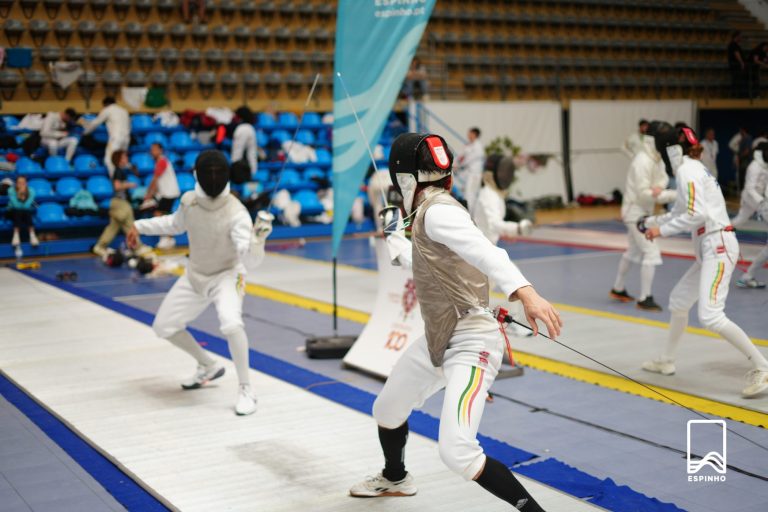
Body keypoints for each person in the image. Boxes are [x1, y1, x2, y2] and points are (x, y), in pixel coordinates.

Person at [350, 133, 562, 511]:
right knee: (386, 409)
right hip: (439, 339)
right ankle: (396, 478)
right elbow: (414, 258)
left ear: (405, 179)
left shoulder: (439, 211)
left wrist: (526, 292)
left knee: (458, 451)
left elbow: (487, 253)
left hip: (472, 340)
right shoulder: (426, 213)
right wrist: (393, 234)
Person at [127, 150, 272, 415]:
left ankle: (246, 388)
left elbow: (249, 262)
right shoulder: (189, 201)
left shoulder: (237, 213)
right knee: (164, 326)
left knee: (231, 322)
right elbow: (174, 224)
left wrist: (257, 242)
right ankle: (207, 365)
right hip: (195, 275)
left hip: (227, 276)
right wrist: (139, 226)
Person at [640, 126, 768, 398]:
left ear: (670, 151)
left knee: (710, 315)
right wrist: (650, 221)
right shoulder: (693, 168)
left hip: (717, 246)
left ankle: (763, 367)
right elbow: (679, 211)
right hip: (710, 248)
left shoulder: (688, 170)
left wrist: (659, 231)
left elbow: (695, 215)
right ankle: (666, 359)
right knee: (678, 302)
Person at [610, 121, 677, 311]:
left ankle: (618, 288)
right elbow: (643, 193)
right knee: (651, 251)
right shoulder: (642, 161)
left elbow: (662, 179)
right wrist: (673, 194)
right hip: (635, 212)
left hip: (643, 210)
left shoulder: (656, 158)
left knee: (633, 250)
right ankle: (644, 298)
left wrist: (660, 188)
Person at [92, 150, 150, 257]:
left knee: (113, 226)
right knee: (130, 225)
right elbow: (117, 186)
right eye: (124, 157)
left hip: (118, 203)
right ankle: (137, 247)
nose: (126, 159)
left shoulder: (121, 171)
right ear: (119, 159)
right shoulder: (118, 171)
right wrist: (129, 185)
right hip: (121, 203)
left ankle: (99, 246)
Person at [81, 97, 131, 177]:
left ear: (105, 104)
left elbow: (95, 123)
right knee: (122, 160)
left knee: (109, 160)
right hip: (126, 139)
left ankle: (115, 182)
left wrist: (85, 132)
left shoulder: (108, 109)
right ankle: (124, 181)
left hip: (116, 138)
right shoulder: (124, 111)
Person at [143, 143, 180, 250]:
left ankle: (166, 238)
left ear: (160, 150)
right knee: (162, 215)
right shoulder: (160, 162)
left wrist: (149, 195)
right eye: (151, 149)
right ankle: (168, 238)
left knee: (159, 214)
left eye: (154, 149)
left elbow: (155, 179)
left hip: (169, 193)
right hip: (166, 193)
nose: (152, 151)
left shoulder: (162, 161)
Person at [732, 141, 768, 228]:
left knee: (740, 219)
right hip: (750, 197)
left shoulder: (765, 166)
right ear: (761, 152)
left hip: (758, 198)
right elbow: (749, 188)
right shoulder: (754, 166)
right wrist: (761, 201)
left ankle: (722, 231)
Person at [456, 127, 485, 212]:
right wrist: (457, 164)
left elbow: (468, 159)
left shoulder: (478, 147)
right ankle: (465, 213)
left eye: (470, 133)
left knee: (470, 195)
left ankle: (469, 216)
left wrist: (459, 165)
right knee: (466, 194)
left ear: (475, 135)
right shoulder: (469, 145)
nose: (468, 135)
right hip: (468, 173)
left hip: (475, 174)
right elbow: (461, 157)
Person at [7, 176, 39, 247]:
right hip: (11, 212)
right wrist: (18, 195)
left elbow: (26, 206)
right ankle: (16, 235)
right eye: (19, 183)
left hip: (25, 213)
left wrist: (23, 196)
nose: (21, 184)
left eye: (23, 183)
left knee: (27, 212)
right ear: (16, 183)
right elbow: (15, 205)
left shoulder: (31, 191)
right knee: (17, 211)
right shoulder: (11, 190)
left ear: (26, 183)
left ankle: (32, 235)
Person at [231, 106, 258, 174]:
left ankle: (236, 174)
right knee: (252, 154)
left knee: (237, 153)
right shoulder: (251, 128)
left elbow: (237, 152)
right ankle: (253, 173)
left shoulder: (241, 128)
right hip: (250, 130)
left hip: (242, 129)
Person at [727, 31, 746, 98]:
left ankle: (735, 95)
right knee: (737, 80)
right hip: (736, 66)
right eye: (740, 36)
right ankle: (736, 96)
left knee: (736, 80)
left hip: (735, 65)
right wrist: (741, 62)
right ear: (737, 36)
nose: (741, 38)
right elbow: (736, 54)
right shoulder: (733, 44)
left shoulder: (734, 44)